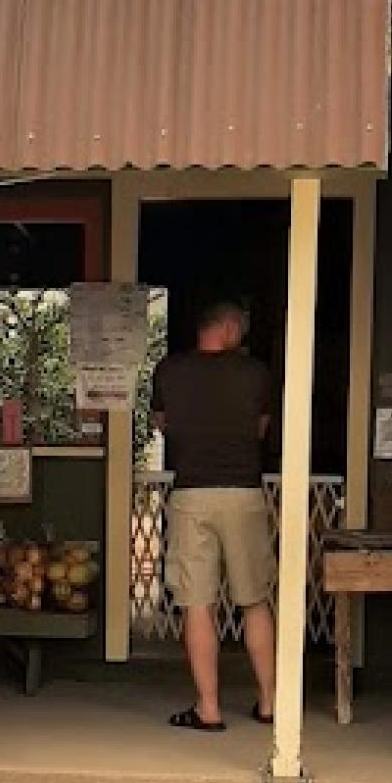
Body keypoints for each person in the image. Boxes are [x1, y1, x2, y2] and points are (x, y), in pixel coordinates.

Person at [151, 300, 276, 731]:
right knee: (255, 600)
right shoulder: (255, 373)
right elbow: (260, 429)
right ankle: (269, 703)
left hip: (192, 493)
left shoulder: (169, 370)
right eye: (240, 328)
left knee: (197, 603)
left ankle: (208, 708)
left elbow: (161, 422)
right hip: (244, 491)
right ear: (225, 329)